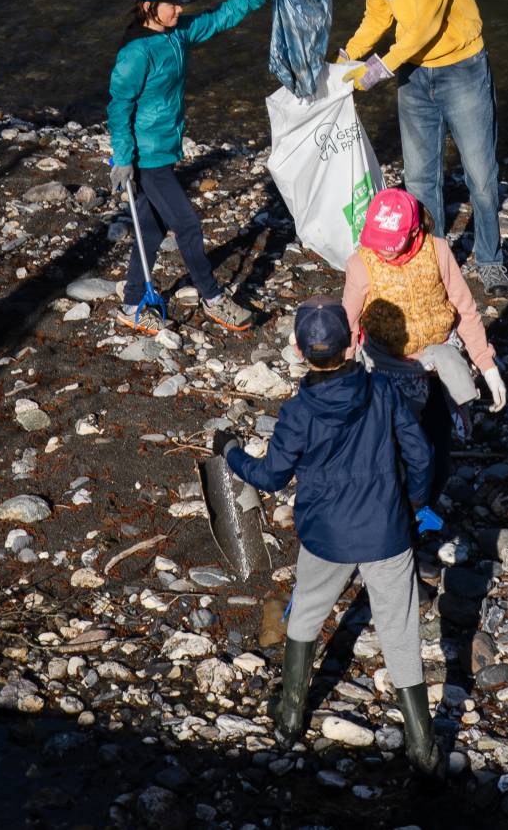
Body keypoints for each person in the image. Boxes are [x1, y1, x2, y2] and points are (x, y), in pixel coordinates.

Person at [213, 297, 444, 778]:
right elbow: (421, 456)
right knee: (399, 633)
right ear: (355, 342)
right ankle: (424, 752)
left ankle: (291, 717)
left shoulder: (298, 413)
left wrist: (231, 453)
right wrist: (415, 505)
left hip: (326, 535)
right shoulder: (382, 391)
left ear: (300, 351)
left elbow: (272, 476)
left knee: (308, 612)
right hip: (386, 531)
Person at [334, 0, 508, 298]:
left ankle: (490, 261)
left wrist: (378, 69)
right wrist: (349, 57)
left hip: (461, 71)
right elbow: (378, 13)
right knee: (419, 179)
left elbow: (426, 25)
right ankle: (432, 262)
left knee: (482, 177)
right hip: (415, 78)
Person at [108, 0, 278, 334]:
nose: (180, 10)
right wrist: (122, 159)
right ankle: (213, 297)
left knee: (150, 232)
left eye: (181, 4)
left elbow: (219, 18)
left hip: (164, 151)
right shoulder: (136, 53)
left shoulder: (177, 34)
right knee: (186, 224)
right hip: (145, 157)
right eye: (173, 5)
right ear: (149, 5)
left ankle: (132, 304)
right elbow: (118, 106)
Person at [342, 187, 506, 504]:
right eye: (379, 243)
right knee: (392, 448)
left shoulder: (439, 251)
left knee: (436, 451)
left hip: (439, 367)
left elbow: (465, 310)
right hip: (387, 372)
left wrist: (487, 365)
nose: (384, 252)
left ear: (416, 230)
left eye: (392, 245)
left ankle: (425, 508)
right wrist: (343, 384)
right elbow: (348, 328)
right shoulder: (360, 264)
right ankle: (394, 512)